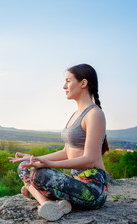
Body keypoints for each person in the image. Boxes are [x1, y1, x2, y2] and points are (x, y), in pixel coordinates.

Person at [8, 64, 109, 221]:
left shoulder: (94, 114)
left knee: (38, 175)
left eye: (68, 81)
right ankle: (48, 204)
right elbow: (66, 152)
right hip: (74, 183)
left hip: (92, 190)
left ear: (83, 83)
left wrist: (48, 164)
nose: (64, 86)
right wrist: (35, 158)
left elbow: (89, 160)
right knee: (24, 166)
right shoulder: (76, 114)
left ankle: (41, 194)